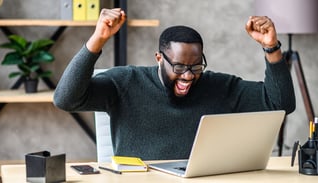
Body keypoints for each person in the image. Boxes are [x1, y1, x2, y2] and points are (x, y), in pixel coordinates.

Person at [53, 8, 295, 160]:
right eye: (179, 67)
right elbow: (65, 99)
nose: (188, 76)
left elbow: (280, 104)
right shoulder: (125, 82)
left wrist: (271, 48)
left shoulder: (219, 87)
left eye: (196, 67)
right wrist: (98, 40)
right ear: (159, 58)